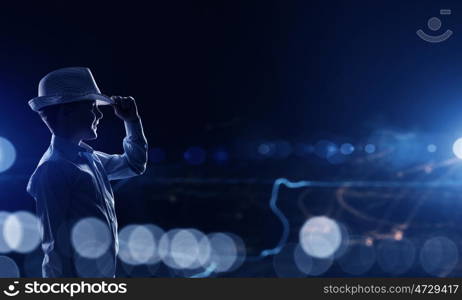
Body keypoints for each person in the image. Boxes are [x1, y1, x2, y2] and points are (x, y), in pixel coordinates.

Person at [26, 67, 148, 277]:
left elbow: (135, 164)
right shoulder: (52, 170)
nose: (100, 114)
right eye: (92, 107)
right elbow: (54, 247)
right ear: (66, 111)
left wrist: (132, 121)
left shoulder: (91, 159)